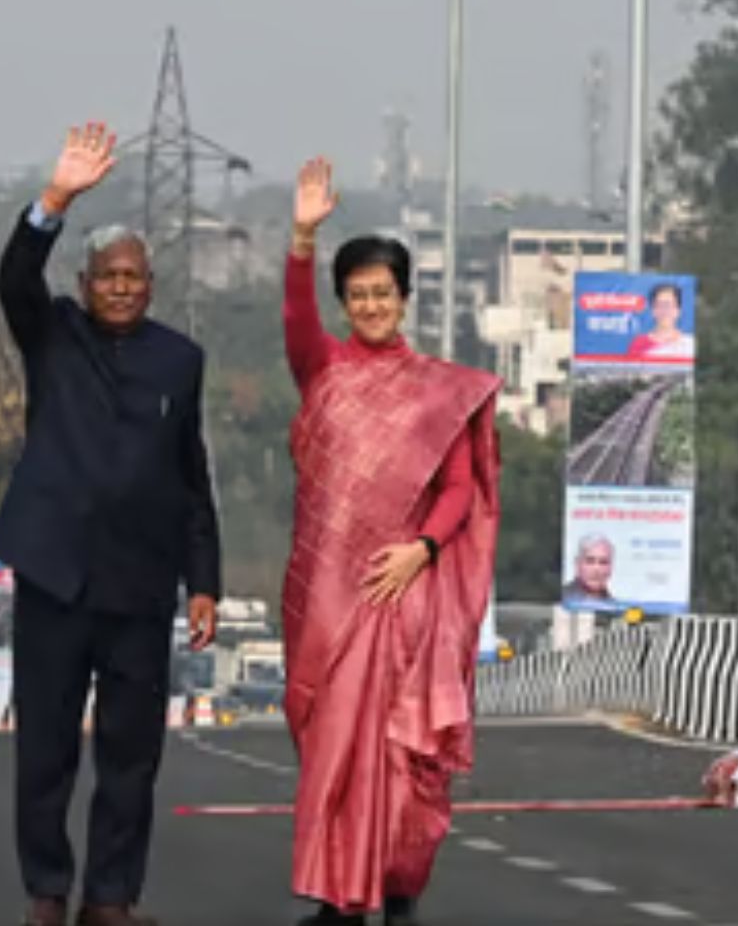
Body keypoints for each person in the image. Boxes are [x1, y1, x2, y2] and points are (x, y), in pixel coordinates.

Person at [0, 122, 222, 926]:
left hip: (139, 585)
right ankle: (48, 891)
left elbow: (193, 477)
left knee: (131, 757)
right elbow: (14, 277)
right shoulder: (54, 336)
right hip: (54, 574)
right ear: (85, 284)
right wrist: (56, 197)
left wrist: (205, 585)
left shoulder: (179, 361)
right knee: (46, 748)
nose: (121, 287)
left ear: (150, 285)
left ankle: (111, 898)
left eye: (134, 277)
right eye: (107, 277)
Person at [283, 157, 502, 926]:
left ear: (405, 300)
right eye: (358, 295)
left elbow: (458, 490)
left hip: (403, 597)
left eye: (384, 293)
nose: (371, 305)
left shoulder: (439, 391)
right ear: (344, 303)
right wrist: (303, 239)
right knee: (334, 750)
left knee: (405, 758)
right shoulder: (325, 371)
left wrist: (422, 552)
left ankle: (399, 890)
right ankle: (341, 898)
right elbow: (295, 323)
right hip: (327, 603)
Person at [626, 283, 694, 360]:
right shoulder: (638, 344)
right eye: (659, 305)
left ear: (678, 310)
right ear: (653, 310)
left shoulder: (689, 345)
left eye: (668, 305)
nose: (664, 310)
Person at [562, 533, 616, 604]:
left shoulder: (616, 607)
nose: (596, 569)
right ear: (577, 564)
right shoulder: (560, 598)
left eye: (603, 562)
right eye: (590, 561)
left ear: (610, 568)